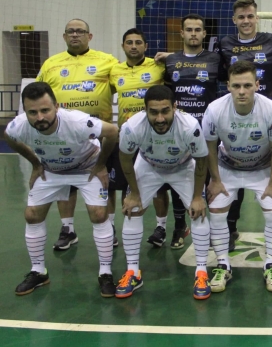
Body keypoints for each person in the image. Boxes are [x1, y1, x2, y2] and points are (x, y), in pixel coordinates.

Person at [6, 82, 119, 297]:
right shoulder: (18, 126)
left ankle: (105, 272)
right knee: (31, 215)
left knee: (98, 214)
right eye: (33, 112)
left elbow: (112, 131)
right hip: (52, 169)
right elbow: (10, 138)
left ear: (56, 107)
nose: (40, 117)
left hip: (87, 167)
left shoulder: (76, 121)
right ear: (25, 112)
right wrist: (35, 163)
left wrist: (101, 164)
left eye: (45, 110)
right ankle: (38, 271)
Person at [117, 85, 211, 299]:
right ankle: (133, 272)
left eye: (165, 111)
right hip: (148, 165)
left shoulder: (189, 126)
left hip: (184, 166)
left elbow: (202, 161)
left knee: (198, 212)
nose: (160, 118)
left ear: (175, 108)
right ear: (145, 110)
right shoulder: (132, 127)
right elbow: (125, 159)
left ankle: (202, 271)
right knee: (133, 209)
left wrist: (197, 197)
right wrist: (133, 194)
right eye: (154, 112)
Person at [203, 61, 272, 293]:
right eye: (236, 85)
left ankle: (270, 263)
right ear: (228, 86)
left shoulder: (271, 109)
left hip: (262, 168)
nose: (242, 91)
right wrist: (215, 180)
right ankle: (222, 264)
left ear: (257, 85)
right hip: (227, 168)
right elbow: (209, 147)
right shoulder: (215, 109)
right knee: (217, 212)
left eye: (247, 85)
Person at [36, 19, 119, 250]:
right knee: (65, 182)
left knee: (105, 181)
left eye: (80, 31)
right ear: (64, 37)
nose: (75, 35)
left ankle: (109, 225)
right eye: (70, 32)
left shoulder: (107, 61)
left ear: (89, 36)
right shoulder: (51, 64)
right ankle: (67, 229)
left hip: (98, 134)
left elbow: (124, 81)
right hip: (62, 134)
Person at [218, 0, 272, 250]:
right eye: (241, 17)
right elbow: (214, 69)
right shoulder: (224, 44)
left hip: (265, 116)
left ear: (256, 17)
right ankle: (230, 228)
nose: (246, 21)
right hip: (236, 115)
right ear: (234, 19)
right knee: (234, 170)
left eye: (250, 16)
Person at [157, 13, 227, 249]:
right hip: (179, 129)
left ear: (204, 34)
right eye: (189, 30)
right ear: (182, 33)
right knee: (179, 176)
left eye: (198, 30)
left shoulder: (216, 59)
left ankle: (209, 228)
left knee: (207, 177)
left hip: (207, 127)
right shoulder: (170, 61)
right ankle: (179, 226)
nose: (194, 33)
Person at [109, 29, 166, 246]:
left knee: (159, 185)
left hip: (155, 135)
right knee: (122, 183)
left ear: (146, 46)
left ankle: (161, 227)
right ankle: (113, 227)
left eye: (138, 42)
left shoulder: (158, 66)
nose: (134, 46)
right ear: (123, 46)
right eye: (129, 43)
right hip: (127, 135)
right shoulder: (114, 70)